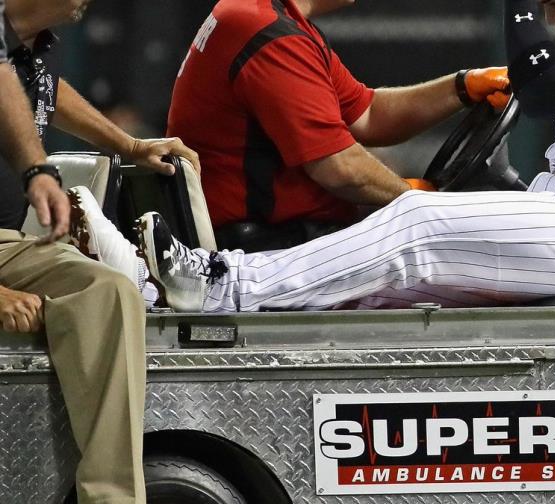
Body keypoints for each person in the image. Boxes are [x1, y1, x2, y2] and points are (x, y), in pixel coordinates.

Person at [79, 0, 555, 313]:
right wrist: (462, 87)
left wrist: (417, 201)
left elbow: (547, 92)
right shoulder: (264, 22)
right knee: (374, 291)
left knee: (419, 225)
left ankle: (216, 285)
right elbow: (365, 123)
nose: (550, 14)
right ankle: (157, 291)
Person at [0, 0, 206, 501]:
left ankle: (112, 498)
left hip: (8, 243)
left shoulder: (21, 55)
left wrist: (130, 146)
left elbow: (47, 94)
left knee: (108, 290)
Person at [167, 0, 510, 238]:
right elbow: (340, 169)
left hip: (291, 238)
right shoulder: (268, 33)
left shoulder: (271, 19)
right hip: (271, 248)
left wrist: (463, 86)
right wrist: (415, 199)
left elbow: (368, 114)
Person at [0, 0, 202, 230]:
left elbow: (48, 89)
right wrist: (37, 169)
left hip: (19, 235)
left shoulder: (40, 45)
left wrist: (131, 146)